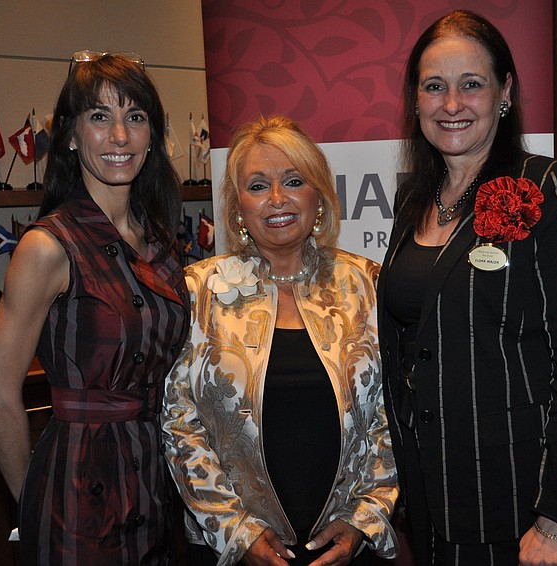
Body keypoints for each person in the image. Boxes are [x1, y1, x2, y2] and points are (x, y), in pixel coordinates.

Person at [378, 10, 557, 566]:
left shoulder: (549, 187)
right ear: (416, 100)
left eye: (471, 84)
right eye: (434, 87)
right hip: (430, 493)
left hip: (516, 506)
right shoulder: (417, 198)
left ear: (505, 92)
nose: (451, 103)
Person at [0, 52, 189, 565]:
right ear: (70, 135)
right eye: (100, 117)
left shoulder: (160, 241)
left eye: (135, 117)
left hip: (159, 481)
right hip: (75, 493)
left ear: (152, 135)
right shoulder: (48, 246)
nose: (120, 136)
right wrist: (36, 503)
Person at [162, 115, 399, 566]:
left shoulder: (366, 283)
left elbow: (394, 414)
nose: (277, 200)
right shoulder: (198, 289)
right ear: (237, 207)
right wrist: (236, 532)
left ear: (320, 196)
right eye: (257, 186)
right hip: (234, 549)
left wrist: (363, 519)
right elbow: (179, 423)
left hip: (345, 545)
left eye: (293, 180)